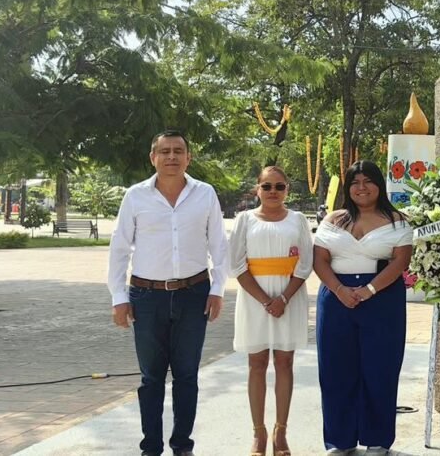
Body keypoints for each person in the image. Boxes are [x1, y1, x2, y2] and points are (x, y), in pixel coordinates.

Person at [107, 130, 228, 456]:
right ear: (153, 157)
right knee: (151, 378)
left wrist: (217, 289)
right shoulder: (135, 196)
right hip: (147, 297)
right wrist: (119, 297)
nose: (171, 157)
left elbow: (219, 245)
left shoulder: (205, 194)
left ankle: (182, 445)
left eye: (178, 151)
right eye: (165, 151)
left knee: (187, 375)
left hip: (194, 293)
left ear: (188, 157)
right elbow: (119, 248)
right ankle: (151, 447)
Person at [312, 160, 414, 455]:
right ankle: (339, 440)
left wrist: (369, 290)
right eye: (355, 182)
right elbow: (320, 260)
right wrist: (340, 290)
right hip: (336, 298)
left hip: (382, 299)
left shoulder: (397, 220)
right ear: (348, 188)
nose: (361, 188)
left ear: (379, 185)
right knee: (335, 370)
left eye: (368, 181)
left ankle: (378, 438)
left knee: (379, 368)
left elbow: (400, 262)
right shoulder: (333, 219)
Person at [229, 166, 314, 456]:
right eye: (267, 186)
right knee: (256, 364)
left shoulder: (299, 220)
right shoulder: (244, 220)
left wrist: (283, 299)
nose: (273, 192)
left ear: (287, 189)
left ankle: (281, 430)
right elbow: (237, 265)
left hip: (288, 299)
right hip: (256, 300)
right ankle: (258, 433)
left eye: (279, 186)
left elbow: (305, 264)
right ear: (257, 189)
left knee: (284, 363)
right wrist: (266, 300)